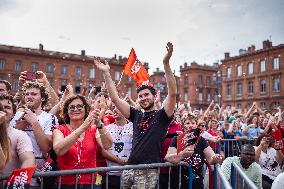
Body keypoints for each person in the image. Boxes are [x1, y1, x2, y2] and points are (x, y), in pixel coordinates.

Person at [95, 42, 177, 189]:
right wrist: (106, 73)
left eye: (147, 95)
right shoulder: (136, 114)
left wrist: (166, 63)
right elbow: (114, 98)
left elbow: (172, 93)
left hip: (148, 169)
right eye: (140, 96)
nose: (143, 98)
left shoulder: (162, 115)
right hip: (129, 169)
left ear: (154, 96)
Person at [52, 94, 112, 189]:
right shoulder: (59, 129)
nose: (76, 109)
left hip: (90, 183)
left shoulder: (93, 129)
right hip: (66, 184)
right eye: (71, 107)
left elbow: (107, 145)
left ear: (86, 110)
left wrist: (99, 124)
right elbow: (59, 150)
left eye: (79, 106)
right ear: (66, 112)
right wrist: (83, 127)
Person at [9, 81, 58, 187]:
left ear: (43, 98)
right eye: (27, 94)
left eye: (34, 94)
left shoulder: (50, 118)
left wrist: (34, 122)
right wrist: (18, 126)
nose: (29, 97)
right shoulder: (16, 115)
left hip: (38, 176)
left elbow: (46, 147)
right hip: (15, 173)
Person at [0, 94, 35, 175]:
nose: (3, 111)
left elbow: (28, 160)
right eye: (0, 108)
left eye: (7, 107)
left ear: (13, 114)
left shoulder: (20, 135)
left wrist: (18, 182)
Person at [101, 107, 133, 189]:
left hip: (130, 173)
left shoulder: (134, 127)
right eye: (114, 108)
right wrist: (121, 161)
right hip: (111, 174)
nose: (115, 110)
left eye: (118, 107)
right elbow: (103, 150)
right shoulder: (107, 129)